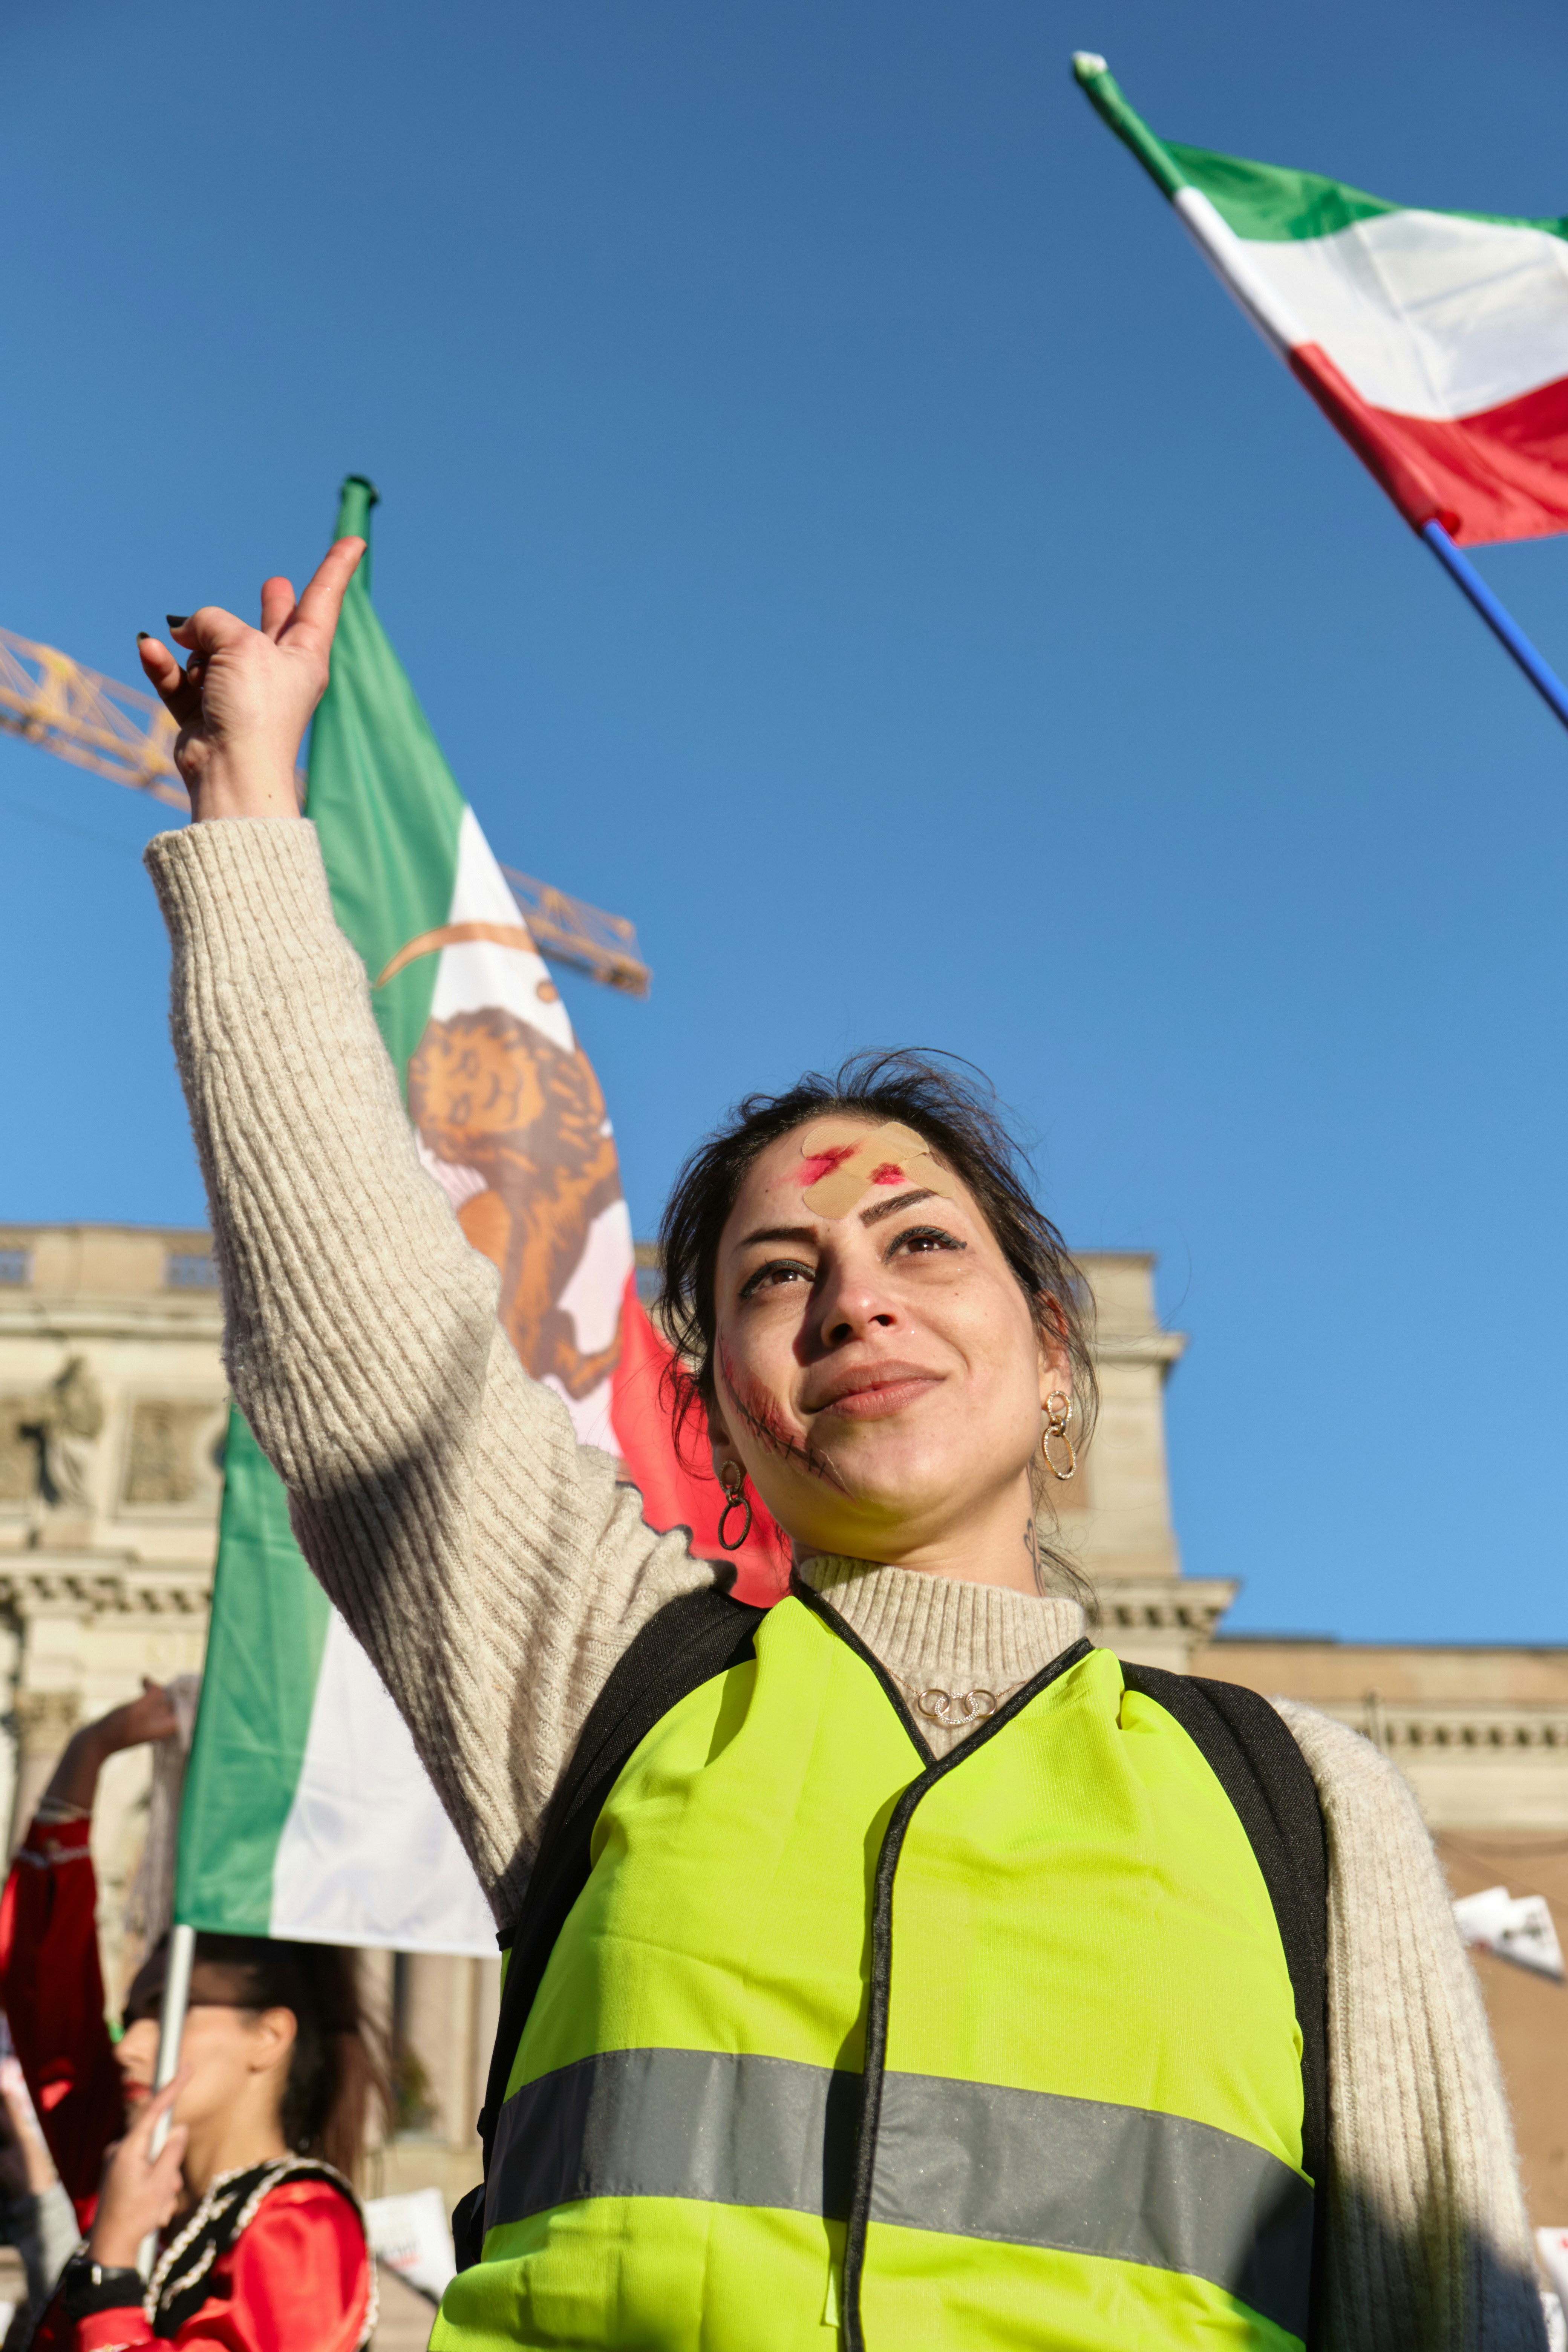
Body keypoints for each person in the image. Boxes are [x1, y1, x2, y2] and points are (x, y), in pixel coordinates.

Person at [131, 545, 1545, 2352]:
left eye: (922, 1243)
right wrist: (249, 798)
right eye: (777, 1275)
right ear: (719, 1399)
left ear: (1054, 1354)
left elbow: (1447, 2316)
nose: (854, 1301)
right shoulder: (605, 1685)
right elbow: (363, 1333)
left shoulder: (1306, 1807)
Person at [0, 1686, 378, 2350]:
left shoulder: (304, 2226)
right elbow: (43, 1986)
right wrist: (93, 1748)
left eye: (174, 2010)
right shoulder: (135, 2185)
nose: (129, 2046)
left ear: (268, 2037)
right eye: (134, 2015)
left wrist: (112, 2270)